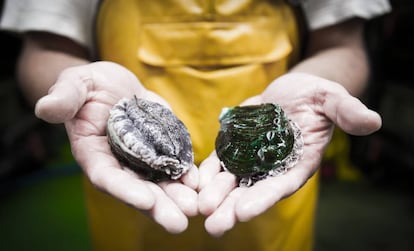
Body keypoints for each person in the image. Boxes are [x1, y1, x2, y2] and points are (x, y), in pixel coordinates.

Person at [1, 0, 389, 250]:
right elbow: (44, 47)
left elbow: (342, 43)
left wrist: (320, 89)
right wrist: (72, 83)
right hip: (131, 202)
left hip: (269, 206)